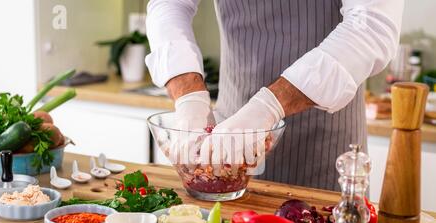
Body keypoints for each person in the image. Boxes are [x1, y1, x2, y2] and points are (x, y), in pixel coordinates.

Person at [145, 0, 404, 191]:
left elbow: (371, 27)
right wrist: (189, 97)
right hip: (227, 142)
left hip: (323, 148)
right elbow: (168, 5)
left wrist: (268, 107)